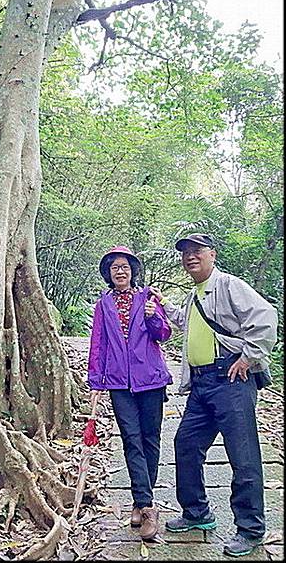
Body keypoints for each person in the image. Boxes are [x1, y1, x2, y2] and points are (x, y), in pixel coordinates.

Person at [150, 233, 278, 557]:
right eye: (186, 253)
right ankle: (197, 512)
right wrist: (165, 305)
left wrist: (248, 357)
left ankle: (250, 529)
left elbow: (265, 318)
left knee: (242, 455)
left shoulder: (229, 285)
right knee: (186, 443)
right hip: (202, 385)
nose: (190, 257)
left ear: (212, 254)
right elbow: (188, 324)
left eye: (197, 251)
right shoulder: (196, 295)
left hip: (231, 382)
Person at [87, 245, 173, 540]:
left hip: (150, 379)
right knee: (131, 440)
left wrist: (153, 316)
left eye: (124, 266)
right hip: (118, 383)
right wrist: (96, 383)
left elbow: (163, 334)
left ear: (132, 271)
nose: (120, 271)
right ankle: (148, 507)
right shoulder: (104, 304)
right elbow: (98, 344)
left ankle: (140, 500)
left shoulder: (147, 297)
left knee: (151, 440)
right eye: (114, 268)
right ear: (109, 275)